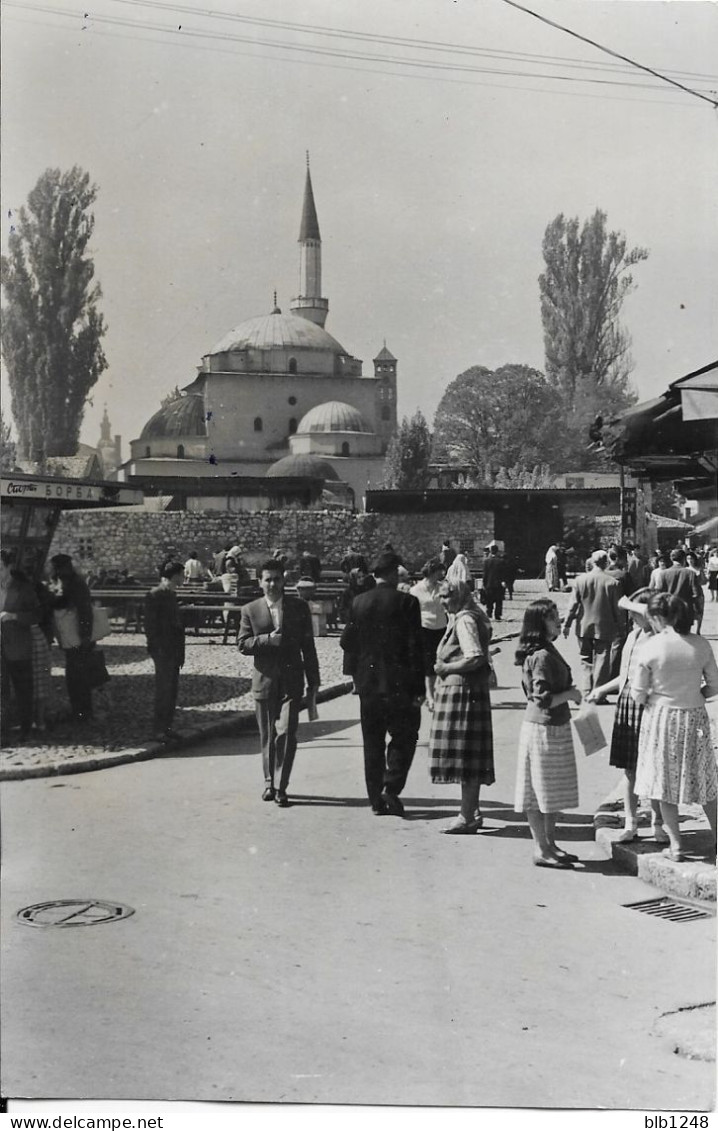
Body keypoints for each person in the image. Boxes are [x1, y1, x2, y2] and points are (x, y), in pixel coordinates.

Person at [631, 593, 718, 862]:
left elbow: (637, 693)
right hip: (695, 717)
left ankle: (677, 845)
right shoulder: (701, 644)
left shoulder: (652, 647)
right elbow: (715, 684)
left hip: (661, 718)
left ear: (658, 618)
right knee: (704, 778)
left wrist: (654, 699)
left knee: (664, 782)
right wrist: (695, 695)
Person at [340, 551, 424, 816]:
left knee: (372, 741)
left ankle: (375, 799)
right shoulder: (407, 602)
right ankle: (391, 787)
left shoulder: (359, 602)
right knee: (405, 735)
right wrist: (420, 687)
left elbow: (347, 642)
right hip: (400, 684)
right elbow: (414, 648)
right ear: (392, 574)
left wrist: (356, 673)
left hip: (369, 685)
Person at [586, 589, 667, 844]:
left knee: (654, 768)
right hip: (627, 704)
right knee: (630, 770)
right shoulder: (633, 636)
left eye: (635, 613)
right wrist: (601, 688)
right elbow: (626, 675)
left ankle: (659, 823)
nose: (630, 617)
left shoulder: (661, 638)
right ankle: (631, 823)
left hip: (650, 705)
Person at [238, 559, 320, 807]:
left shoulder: (299, 608)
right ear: (260, 582)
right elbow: (242, 644)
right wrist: (265, 641)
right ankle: (269, 783)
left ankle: (282, 786)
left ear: (284, 580)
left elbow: (309, 647)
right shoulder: (250, 610)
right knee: (268, 735)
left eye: (276, 579)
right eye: (268, 579)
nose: (272, 584)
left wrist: (313, 682)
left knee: (286, 733)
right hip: (264, 681)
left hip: (291, 681)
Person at [514, 599, 582, 868]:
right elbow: (542, 698)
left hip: (553, 726)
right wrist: (571, 694)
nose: (559, 621)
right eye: (553, 618)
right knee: (539, 791)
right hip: (543, 729)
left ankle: (550, 844)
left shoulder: (546, 648)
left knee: (550, 792)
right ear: (539, 624)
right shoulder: (541, 655)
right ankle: (541, 848)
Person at [429, 579, 495, 833]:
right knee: (469, 755)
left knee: (465, 756)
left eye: (446, 596)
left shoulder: (465, 620)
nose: (442, 601)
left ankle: (466, 816)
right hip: (467, 691)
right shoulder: (466, 616)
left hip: (463, 693)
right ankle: (472, 811)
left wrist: (446, 668)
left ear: (459, 596)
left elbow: (475, 656)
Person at [562, 550, 623, 699]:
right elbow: (618, 609)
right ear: (606, 562)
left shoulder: (580, 580)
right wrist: (620, 627)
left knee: (585, 658)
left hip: (583, 626)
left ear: (592, 562)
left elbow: (573, 605)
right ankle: (598, 693)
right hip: (605, 626)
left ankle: (586, 689)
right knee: (602, 658)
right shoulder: (613, 583)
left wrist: (567, 624)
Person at [49, 553, 96, 722]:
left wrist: (85, 636)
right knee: (74, 675)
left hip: (78, 636)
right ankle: (79, 710)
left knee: (79, 676)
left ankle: (83, 712)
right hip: (71, 637)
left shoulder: (76, 584)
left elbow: (85, 611)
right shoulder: (66, 582)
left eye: (57, 568)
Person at [144, 560, 186, 742]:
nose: (184, 578)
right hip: (163, 650)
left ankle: (167, 727)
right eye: (182, 574)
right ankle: (158, 730)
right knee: (164, 690)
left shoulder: (170, 593)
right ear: (175, 575)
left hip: (174, 649)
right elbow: (150, 626)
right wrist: (157, 648)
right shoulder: (156, 594)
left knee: (172, 690)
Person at [0, 550, 39, 740]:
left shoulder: (23, 588)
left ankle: (26, 728)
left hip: (18, 648)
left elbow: (37, 615)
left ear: (8, 567)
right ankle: (3, 730)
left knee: (23, 689)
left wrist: (14, 616)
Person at [410, 558, 447, 711]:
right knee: (428, 662)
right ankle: (430, 696)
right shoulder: (416, 590)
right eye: (439, 571)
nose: (442, 574)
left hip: (441, 627)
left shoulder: (443, 587)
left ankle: (440, 692)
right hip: (424, 628)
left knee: (441, 660)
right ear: (432, 572)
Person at [653, 548, 702, 627]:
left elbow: (658, 593)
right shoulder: (690, 574)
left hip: (669, 612)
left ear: (671, 559)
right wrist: (697, 609)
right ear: (684, 559)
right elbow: (696, 594)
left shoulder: (663, 574)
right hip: (686, 611)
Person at [481, 544, 505, 621]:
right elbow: (503, 573)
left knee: (489, 599)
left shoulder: (486, 561)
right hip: (498, 583)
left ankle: (489, 612)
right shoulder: (501, 561)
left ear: (491, 551)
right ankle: (497, 615)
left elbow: (485, 574)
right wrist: (503, 582)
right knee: (498, 600)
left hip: (489, 583)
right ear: (497, 551)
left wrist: (484, 583)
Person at [685, 551, 706, 633]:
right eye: (688, 559)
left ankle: (698, 630)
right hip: (688, 593)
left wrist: (700, 577)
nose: (690, 560)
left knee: (700, 611)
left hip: (699, 592)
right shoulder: (685, 570)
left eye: (691, 558)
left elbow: (704, 582)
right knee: (689, 611)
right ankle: (688, 629)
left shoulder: (699, 569)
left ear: (694, 559)